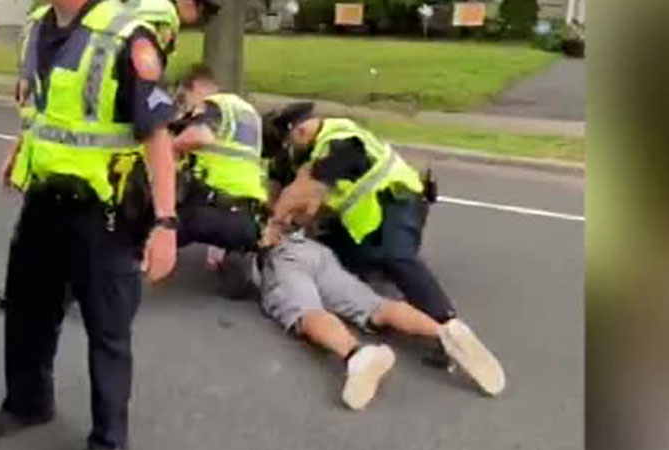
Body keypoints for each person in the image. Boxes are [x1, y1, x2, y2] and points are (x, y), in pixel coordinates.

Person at [0, 0, 180, 450]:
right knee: (27, 311)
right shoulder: (37, 28)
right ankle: (28, 402)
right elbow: (46, 110)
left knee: (107, 329)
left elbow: (157, 138)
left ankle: (108, 438)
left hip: (106, 214)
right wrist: (23, 147)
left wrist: (166, 225)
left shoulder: (127, 38)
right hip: (44, 202)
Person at [0, 0, 222, 311]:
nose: (196, 23)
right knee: (97, 224)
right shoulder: (161, 20)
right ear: (190, 3)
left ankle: (33, 293)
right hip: (99, 134)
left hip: (65, 132)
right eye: (200, 15)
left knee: (47, 225)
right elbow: (143, 73)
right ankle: (79, 293)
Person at [263, 102, 460, 367]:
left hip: (396, 203)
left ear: (299, 132)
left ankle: (448, 325)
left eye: (287, 146)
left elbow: (302, 191)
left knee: (396, 257)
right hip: (367, 221)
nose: (287, 155)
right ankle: (373, 298)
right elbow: (305, 203)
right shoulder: (318, 148)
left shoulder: (339, 144)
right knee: (337, 255)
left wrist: (272, 225)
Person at [255, 230, 506, 407]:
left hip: (280, 255)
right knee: (375, 306)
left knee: (306, 312)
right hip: (311, 247)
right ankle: (444, 332)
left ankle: (356, 355)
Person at [169, 64, 268, 298]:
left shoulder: (214, 104)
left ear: (197, 87)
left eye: (185, 98)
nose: (187, 108)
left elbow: (200, 136)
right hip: (248, 218)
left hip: (207, 211)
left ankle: (138, 257)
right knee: (232, 230)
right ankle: (235, 253)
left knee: (157, 232)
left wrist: (169, 149)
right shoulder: (249, 113)